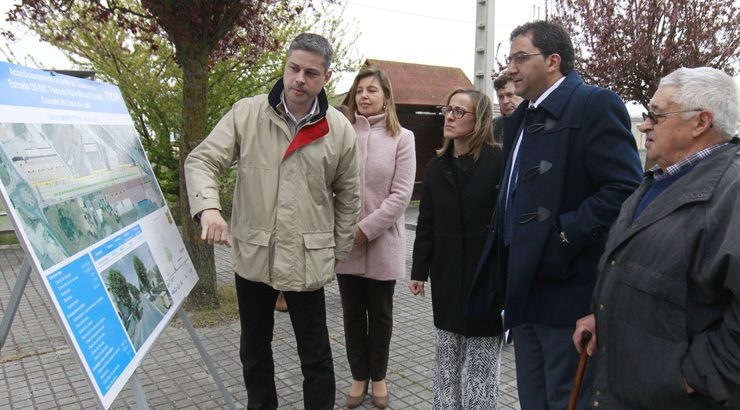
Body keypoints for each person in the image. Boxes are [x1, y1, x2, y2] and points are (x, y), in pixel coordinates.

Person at [468, 21, 643, 409]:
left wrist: (564, 235)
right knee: (534, 400)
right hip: (522, 288)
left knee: (568, 399)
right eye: (509, 58)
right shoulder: (520, 118)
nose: (510, 68)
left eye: (519, 57)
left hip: (567, 291)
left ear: (553, 61)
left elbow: (625, 187)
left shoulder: (595, 104)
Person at [184, 33, 360, 410]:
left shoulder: (339, 129)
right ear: (285, 66)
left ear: (325, 78)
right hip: (254, 258)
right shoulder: (247, 113)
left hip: (307, 262)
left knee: (316, 358)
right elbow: (202, 161)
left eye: (311, 73)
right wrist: (209, 209)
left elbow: (349, 197)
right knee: (254, 354)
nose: (299, 79)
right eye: (294, 68)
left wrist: (336, 253)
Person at [573, 67, 740, 409]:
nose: (644, 125)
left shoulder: (732, 193)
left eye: (657, 115)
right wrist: (601, 314)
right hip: (622, 388)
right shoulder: (657, 179)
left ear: (700, 122)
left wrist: (695, 376)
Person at [410, 89, 504, 409]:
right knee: (447, 361)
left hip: (486, 278)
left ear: (479, 121)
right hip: (447, 276)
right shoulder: (437, 167)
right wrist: (419, 271)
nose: (449, 116)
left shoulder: (498, 162)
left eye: (459, 112)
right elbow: (427, 223)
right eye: (448, 109)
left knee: (480, 369)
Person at [335, 66, 416, 409]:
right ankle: (358, 377)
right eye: (360, 91)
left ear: (386, 96)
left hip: (382, 243)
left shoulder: (403, 137)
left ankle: (378, 377)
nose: (364, 96)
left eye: (372, 90)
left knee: (380, 316)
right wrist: (344, 230)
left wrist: (365, 230)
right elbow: (329, 186)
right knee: (352, 315)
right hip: (344, 243)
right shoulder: (341, 132)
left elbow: (401, 195)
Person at [492, 73, 524, 143]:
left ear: (522, 95)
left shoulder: (535, 124)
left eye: (510, 95)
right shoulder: (494, 125)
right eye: (501, 97)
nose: (505, 101)